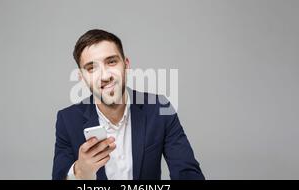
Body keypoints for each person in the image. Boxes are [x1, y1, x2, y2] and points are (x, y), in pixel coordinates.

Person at [52, 29, 205, 180]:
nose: (105, 76)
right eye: (92, 68)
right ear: (82, 77)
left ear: (126, 65)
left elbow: (187, 171)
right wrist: (80, 172)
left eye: (111, 62)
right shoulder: (67, 120)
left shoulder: (160, 109)